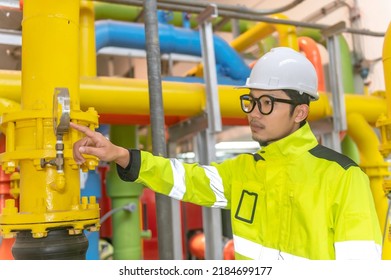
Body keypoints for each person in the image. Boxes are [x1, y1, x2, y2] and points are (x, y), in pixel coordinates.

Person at [71, 47, 382, 260]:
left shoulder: (342, 177)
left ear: (300, 111)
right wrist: (121, 155)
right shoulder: (243, 171)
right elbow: (185, 179)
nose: (253, 113)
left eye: (267, 103)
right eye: (251, 100)